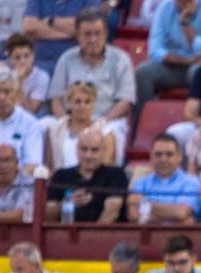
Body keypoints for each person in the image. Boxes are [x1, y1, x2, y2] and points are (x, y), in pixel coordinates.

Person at [47, 9, 136, 162]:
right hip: (71, 118)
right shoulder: (67, 59)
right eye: (87, 34)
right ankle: (52, 180)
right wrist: (67, 122)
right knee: (46, 126)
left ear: (106, 33)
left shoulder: (121, 59)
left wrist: (100, 123)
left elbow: (125, 101)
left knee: (110, 132)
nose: (93, 39)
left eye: (98, 33)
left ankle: (101, 182)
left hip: (107, 119)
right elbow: (56, 99)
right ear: (77, 35)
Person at [134, 0, 201, 124]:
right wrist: (185, 61)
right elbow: (154, 50)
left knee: (197, 71)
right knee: (143, 72)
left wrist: (186, 24)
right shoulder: (165, 7)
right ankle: (141, 125)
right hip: (175, 64)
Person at [47, 128, 128, 223]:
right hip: (64, 234)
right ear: (76, 150)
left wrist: (92, 236)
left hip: (102, 235)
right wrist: (66, 204)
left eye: (94, 150)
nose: (88, 155)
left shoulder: (116, 174)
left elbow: (113, 210)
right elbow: (47, 213)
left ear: (103, 151)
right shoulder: (61, 175)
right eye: (84, 149)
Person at [128, 134, 201, 223]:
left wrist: (144, 202)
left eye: (169, 154)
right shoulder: (141, 182)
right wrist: (171, 215)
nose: (163, 159)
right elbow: (134, 216)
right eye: (158, 154)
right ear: (151, 156)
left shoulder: (191, 182)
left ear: (179, 157)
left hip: (177, 235)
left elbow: (181, 213)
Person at [45, 81, 118, 170]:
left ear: (94, 104)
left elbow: (107, 164)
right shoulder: (55, 129)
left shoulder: (105, 131)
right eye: (77, 101)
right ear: (69, 103)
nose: (82, 106)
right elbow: (48, 166)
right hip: (61, 180)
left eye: (87, 101)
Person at [22, 0, 102, 76]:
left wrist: (51, 21)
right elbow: (29, 26)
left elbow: (90, 26)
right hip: (41, 62)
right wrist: (72, 32)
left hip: (76, 63)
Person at [4, 33, 52, 115]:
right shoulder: (5, 76)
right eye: (17, 58)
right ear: (10, 60)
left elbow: (31, 111)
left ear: (33, 56)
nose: (23, 61)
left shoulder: (42, 77)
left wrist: (20, 83)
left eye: (26, 56)